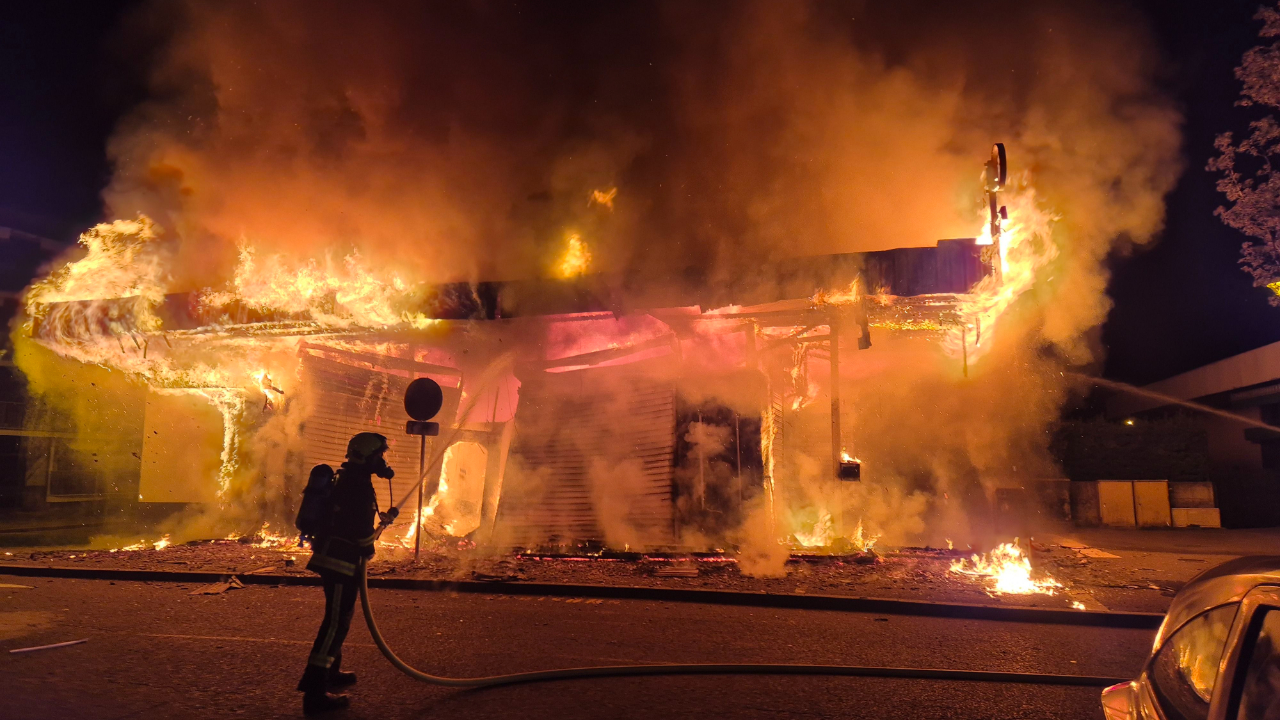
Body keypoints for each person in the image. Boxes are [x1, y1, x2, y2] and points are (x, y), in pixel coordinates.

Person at [297, 432, 398, 715]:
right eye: (380, 456)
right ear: (369, 458)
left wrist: (380, 524)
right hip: (340, 563)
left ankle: (332, 671)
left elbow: (355, 523)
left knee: (339, 619)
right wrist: (370, 544)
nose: (383, 461)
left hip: (334, 558)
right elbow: (362, 537)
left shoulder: (351, 479)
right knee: (334, 625)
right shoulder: (358, 486)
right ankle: (314, 692)